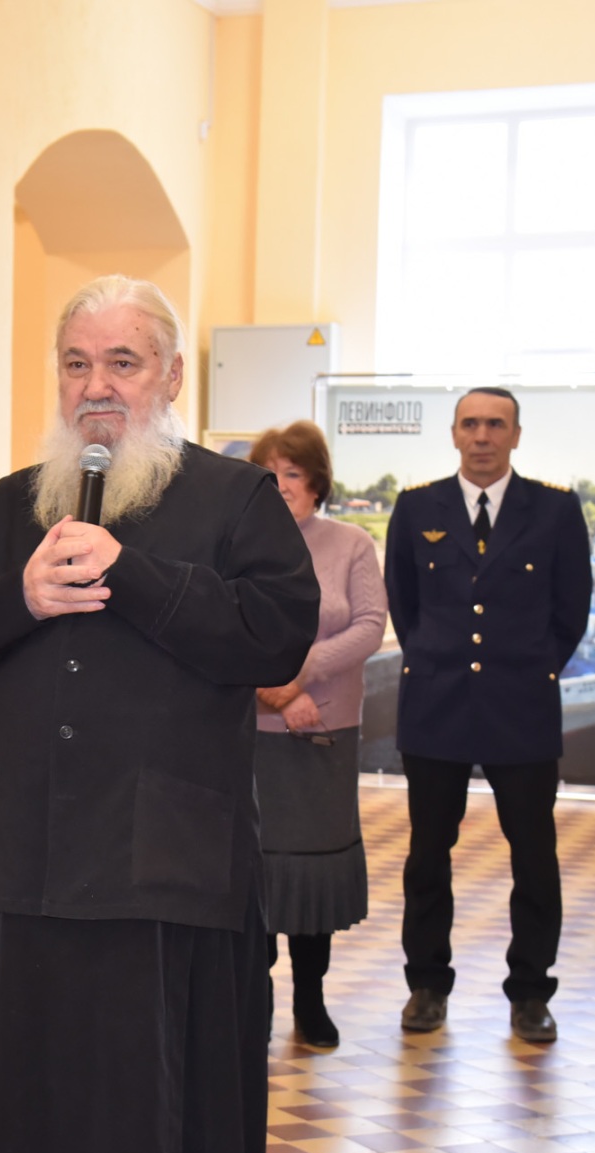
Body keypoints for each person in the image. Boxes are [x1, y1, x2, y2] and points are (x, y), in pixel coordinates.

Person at [0, 276, 318, 1153]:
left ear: (170, 376)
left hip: (167, 870)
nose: (96, 385)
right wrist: (20, 597)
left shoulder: (236, 498)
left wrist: (128, 573)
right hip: (28, 865)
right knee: (28, 1125)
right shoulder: (13, 507)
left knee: (154, 1129)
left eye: (122, 363)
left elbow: (274, 638)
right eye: (76, 364)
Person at [385, 386, 591, 1043]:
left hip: (521, 706)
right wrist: (437, 656)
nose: (482, 436)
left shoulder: (554, 510)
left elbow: (571, 609)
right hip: (437, 705)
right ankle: (426, 984)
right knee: (427, 855)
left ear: (516, 435)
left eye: (496, 424)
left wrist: (529, 665)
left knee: (534, 856)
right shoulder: (417, 507)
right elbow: (405, 604)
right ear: (453, 433)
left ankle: (531, 991)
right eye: (470, 424)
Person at [249, 421, 386, 1048]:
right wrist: (271, 689)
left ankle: (311, 1000)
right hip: (250, 734)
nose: (281, 486)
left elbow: (369, 626)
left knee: (314, 878)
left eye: (294, 474)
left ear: (317, 483)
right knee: (253, 874)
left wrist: (300, 676)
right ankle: (252, 1002)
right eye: (269, 474)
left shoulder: (350, 543)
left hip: (324, 734)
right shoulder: (235, 544)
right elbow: (221, 625)